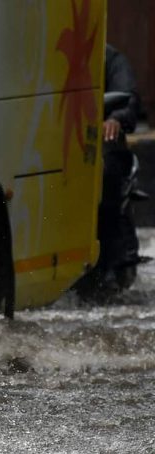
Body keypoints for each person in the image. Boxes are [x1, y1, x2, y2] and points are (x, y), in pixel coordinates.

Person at [97, 44, 142, 291]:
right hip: (61, 144)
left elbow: (129, 98)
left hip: (104, 147)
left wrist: (115, 119)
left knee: (110, 177)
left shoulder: (110, 58)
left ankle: (117, 261)